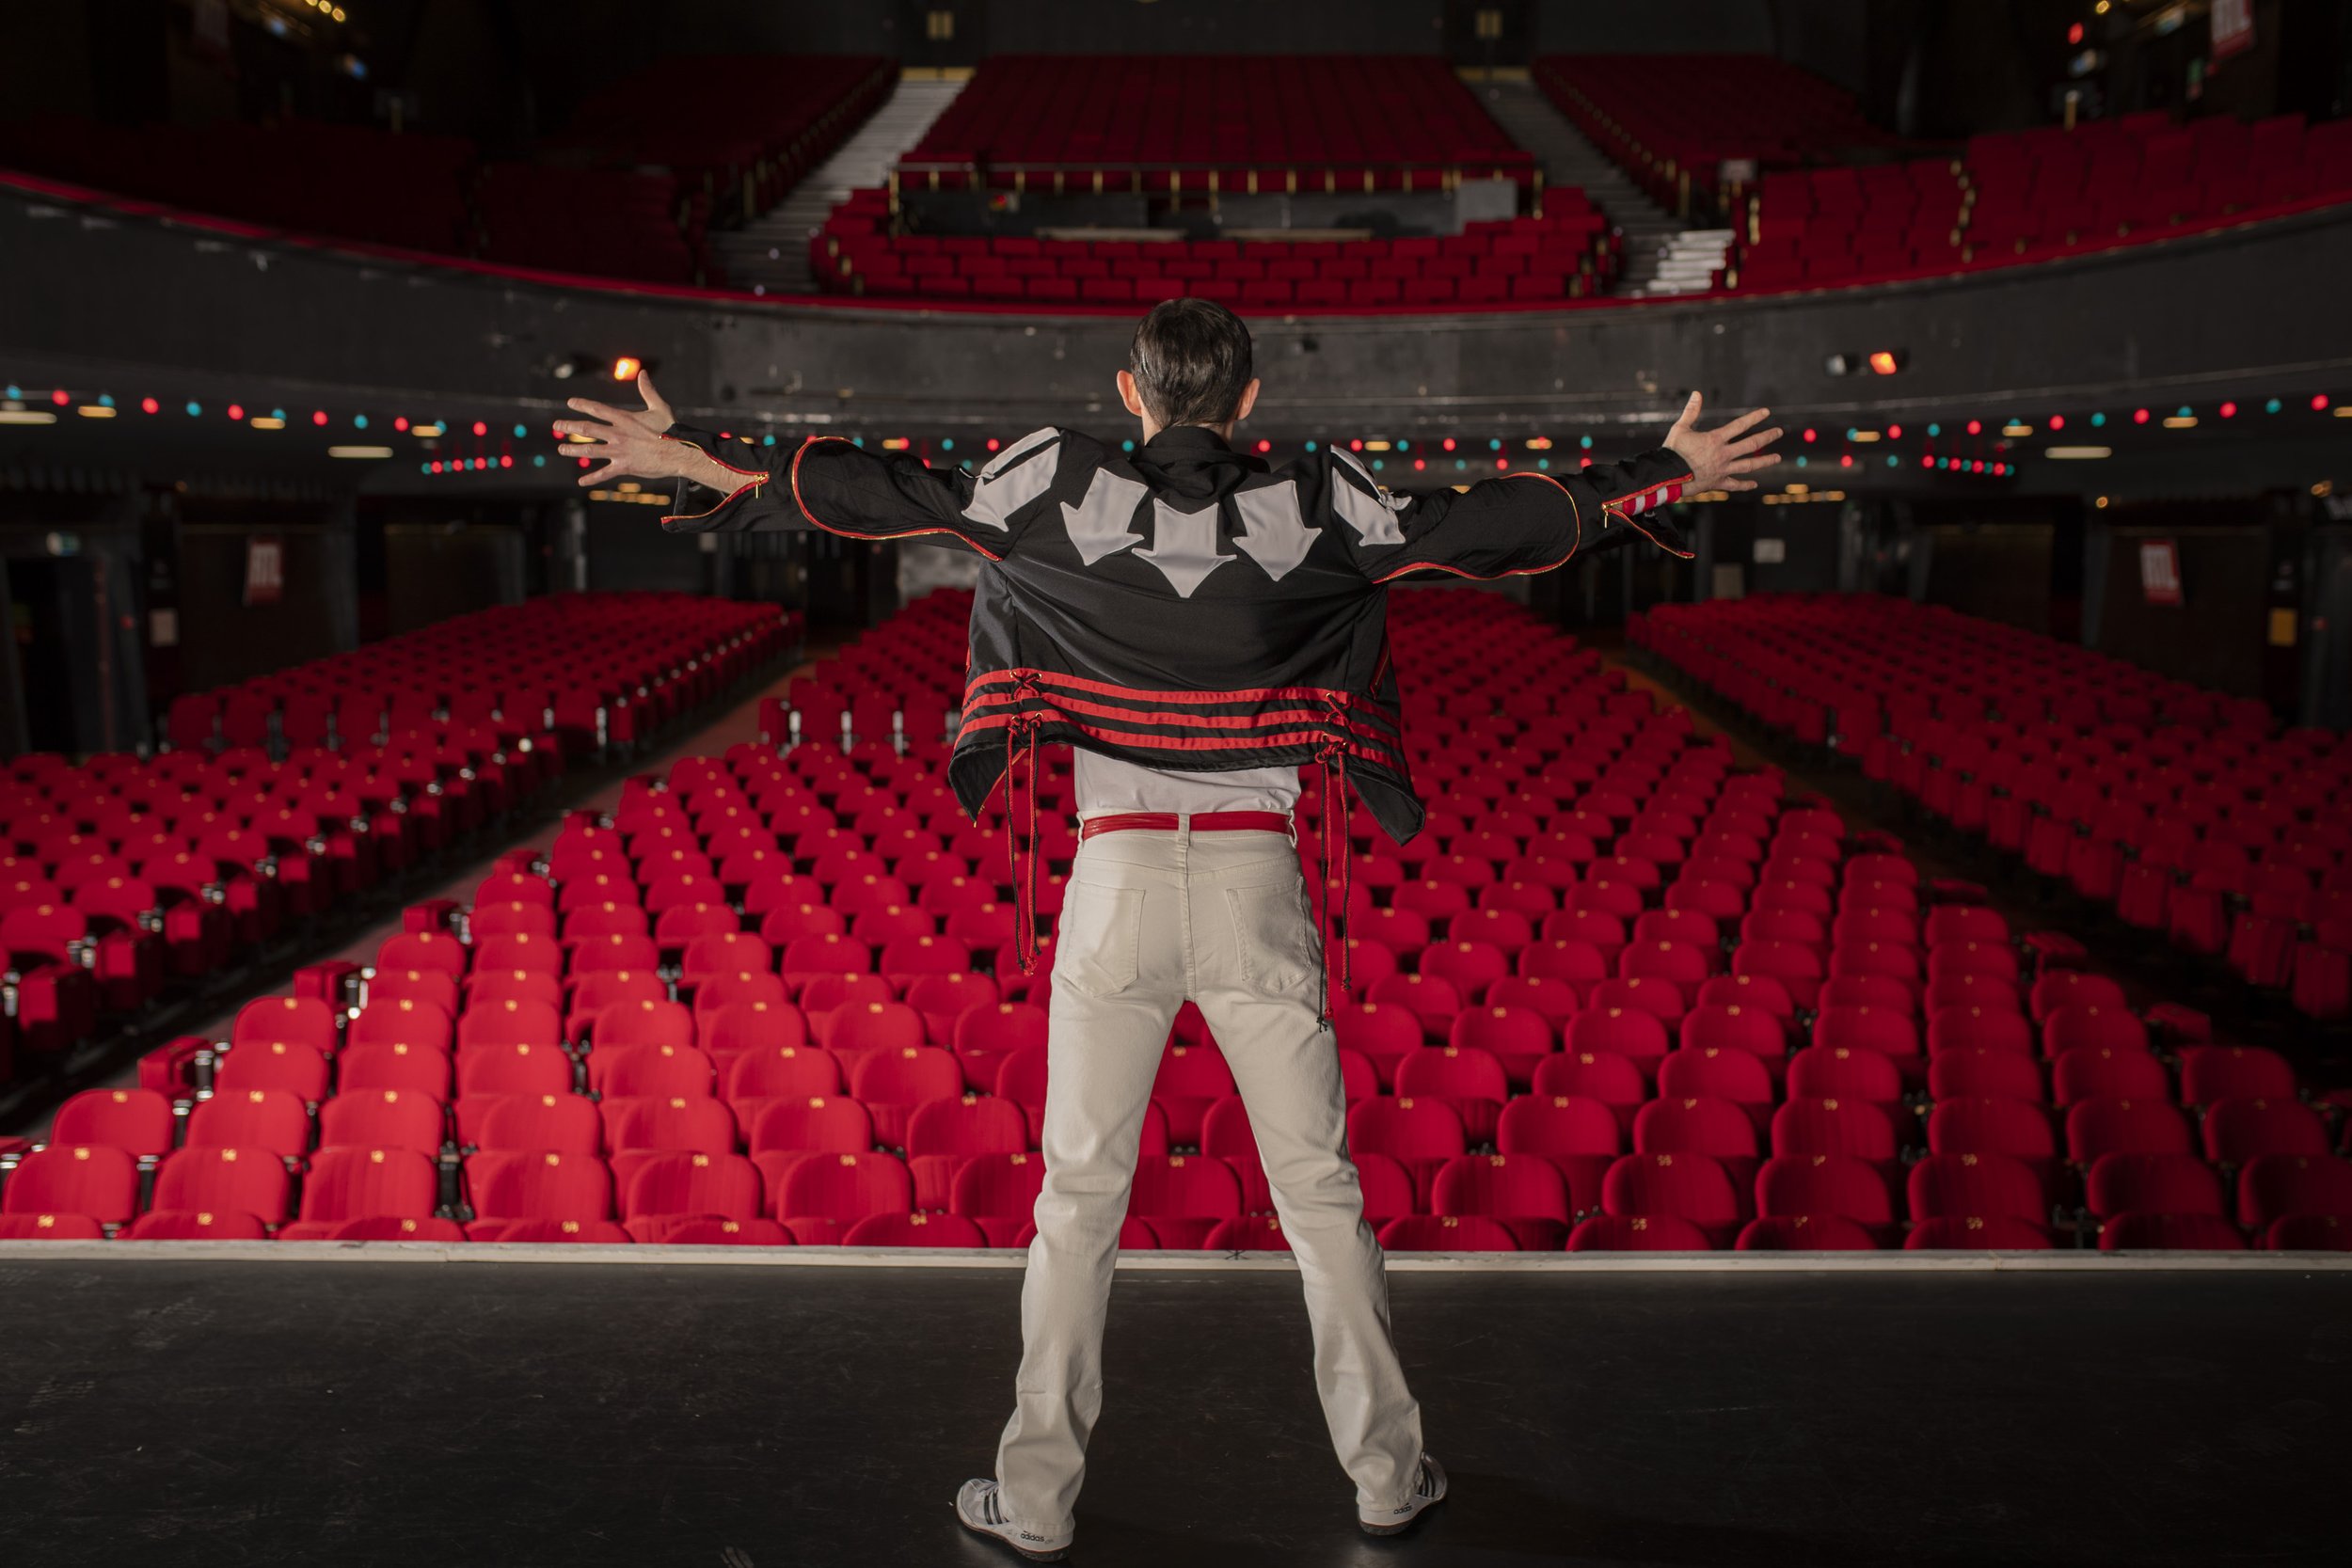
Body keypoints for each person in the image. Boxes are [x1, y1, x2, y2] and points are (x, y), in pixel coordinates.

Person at [554, 299, 1778, 1562]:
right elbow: (1504, 526)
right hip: (1258, 885)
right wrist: (1665, 474)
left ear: (1130, 393)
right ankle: (1388, 1478)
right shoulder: (1321, 508)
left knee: (1078, 1202)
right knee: (1322, 1199)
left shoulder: (1040, 489)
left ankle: (1033, 1504)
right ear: (1249, 403)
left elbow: (862, 494)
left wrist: (689, 455)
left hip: (1115, 883)